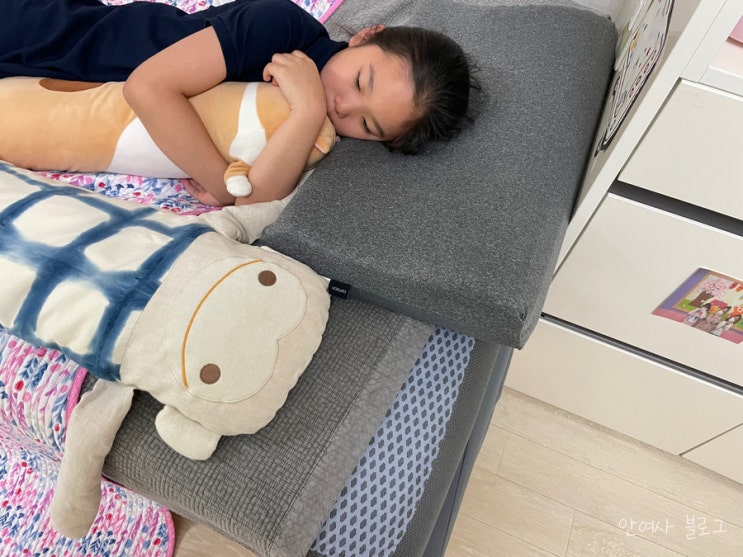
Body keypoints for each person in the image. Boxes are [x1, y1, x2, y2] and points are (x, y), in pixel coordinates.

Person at [0, 0, 475, 207]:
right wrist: (222, 182)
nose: (344, 106)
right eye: (359, 80)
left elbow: (258, 198)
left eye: (368, 126)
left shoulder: (313, 123)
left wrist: (308, 111)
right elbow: (146, 87)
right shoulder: (280, 25)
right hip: (47, 35)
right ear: (368, 35)